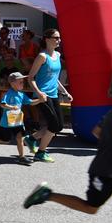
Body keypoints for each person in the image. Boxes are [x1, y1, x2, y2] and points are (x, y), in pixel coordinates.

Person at [24, 76, 112, 213]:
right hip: (104, 173)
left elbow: (96, 131)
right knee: (91, 208)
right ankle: (47, 194)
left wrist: (109, 142)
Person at [25, 29, 73, 163]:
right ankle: (40, 152)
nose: (59, 40)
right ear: (47, 39)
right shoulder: (42, 56)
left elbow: (55, 79)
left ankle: (32, 138)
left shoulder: (57, 55)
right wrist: (39, 93)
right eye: (55, 38)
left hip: (54, 94)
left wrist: (65, 92)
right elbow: (30, 78)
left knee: (59, 126)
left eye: (59, 38)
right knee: (53, 125)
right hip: (42, 96)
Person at [0, 72, 45, 164]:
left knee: (20, 138)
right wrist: (11, 107)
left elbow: (30, 102)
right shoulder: (8, 94)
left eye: (23, 82)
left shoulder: (21, 94)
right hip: (6, 123)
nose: (22, 84)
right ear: (12, 84)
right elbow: (2, 104)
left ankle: (21, 157)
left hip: (18, 121)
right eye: (20, 82)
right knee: (5, 140)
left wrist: (40, 100)